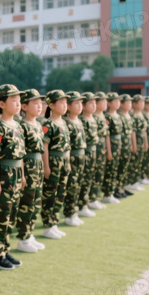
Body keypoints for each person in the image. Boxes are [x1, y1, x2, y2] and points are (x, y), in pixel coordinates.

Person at [0, 84, 25, 269]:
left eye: (19, 100)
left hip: (17, 174)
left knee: (12, 214)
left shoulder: (18, 125)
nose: (18, 104)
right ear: (2, 103)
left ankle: (5, 249)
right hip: (4, 174)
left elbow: (21, 155)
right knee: (1, 215)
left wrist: (23, 176)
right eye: (13, 100)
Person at [14, 89, 46, 253]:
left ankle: (30, 234)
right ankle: (23, 237)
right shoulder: (22, 126)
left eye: (40, 103)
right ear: (24, 106)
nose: (39, 106)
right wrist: (23, 174)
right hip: (27, 165)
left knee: (35, 202)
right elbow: (20, 152)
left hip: (38, 165)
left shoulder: (38, 124)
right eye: (35, 103)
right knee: (27, 203)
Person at [40, 90, 71, 240]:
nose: (65, 105)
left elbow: (68, 145)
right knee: (50, 194)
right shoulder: (47, 124)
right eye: (61, 102)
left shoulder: (64, 122)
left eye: (66, 102)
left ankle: (54, 223)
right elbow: (44, 147)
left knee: (60, 193)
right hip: (53, 161)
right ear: (51, 105)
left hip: (64, 161)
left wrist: (68, 161)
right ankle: (47, 224)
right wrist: (46, 166)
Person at [62, 91, 86, 227]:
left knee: (78, 185)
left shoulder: (79, 121)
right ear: (69, 106)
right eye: (76, 103)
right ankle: (69, 214)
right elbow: (67, 145)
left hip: (81, 156)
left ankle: (74, 212)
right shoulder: (67, 123)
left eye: (80, 103)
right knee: (71, 186)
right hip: (72, 158)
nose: (79, 106)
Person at [77, 92, 100, 218]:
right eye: (90, 103)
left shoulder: (93, 119)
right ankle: (82, 205)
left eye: (94, 103)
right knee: (83, 180)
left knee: (91, 177)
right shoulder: (82, 121)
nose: (93, 106)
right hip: (84, 153)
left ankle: (89, 201)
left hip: (93, 151)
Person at [87, 92, 109, 211]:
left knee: (99, 173)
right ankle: (90, 198)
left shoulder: (101, 117)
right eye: (102, 101)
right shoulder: (92, 118)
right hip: (94, 149)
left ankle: (94, 197)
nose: (95, 105)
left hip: (101, 148)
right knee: (93, 174)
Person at [102, 93, 124, 204]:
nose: (117, 103)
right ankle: (107, 193)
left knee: (115, 169)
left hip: (118, 145)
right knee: (110, 170)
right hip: (112, 145)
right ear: (109, 103)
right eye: (115, 101)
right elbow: (107, 135)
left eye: (118, 101)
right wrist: (109, 151)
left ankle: (113, 191)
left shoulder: (118, 116)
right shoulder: (108, 117)